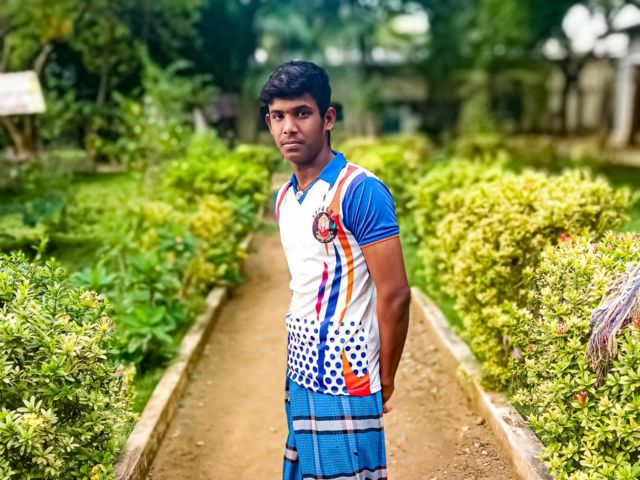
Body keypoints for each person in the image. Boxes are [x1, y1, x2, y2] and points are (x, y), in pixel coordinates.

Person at [261, 60, 411, 480]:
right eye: (278, 116)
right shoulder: (284, 198)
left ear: (327, 119)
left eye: (301, 113)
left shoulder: (359, 191)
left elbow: (395, 294)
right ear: (269, 124)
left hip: (348, 369)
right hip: (300, 362)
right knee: (304, 469)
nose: (289, 127)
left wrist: (385, 376)